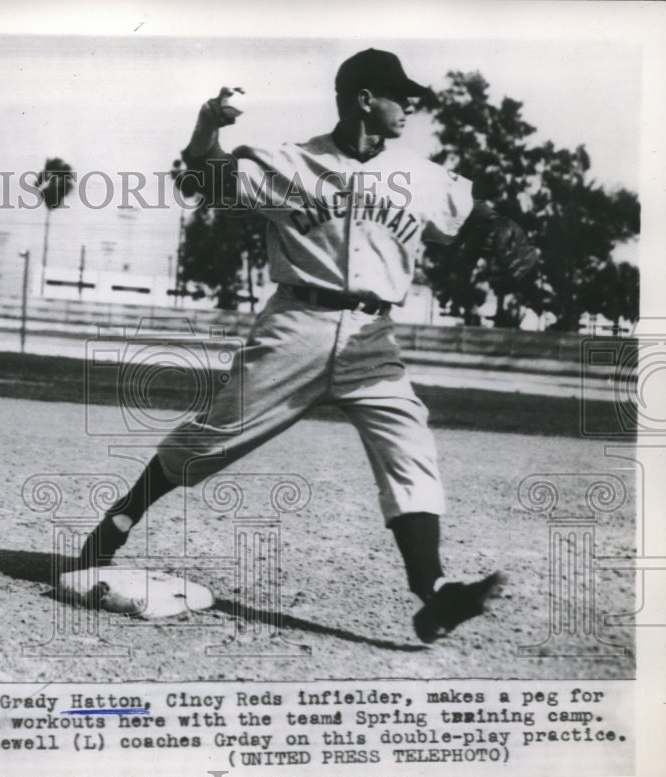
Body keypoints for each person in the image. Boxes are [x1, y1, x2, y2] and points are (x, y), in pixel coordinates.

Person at [78, 49, 538, 643]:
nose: (410, 105)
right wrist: (207, 127)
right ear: (365, 98)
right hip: (296, 326)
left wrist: (506, 229)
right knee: (210, 441)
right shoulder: (291, 162)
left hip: (372, 338)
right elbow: (203, 177)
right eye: (399, 95)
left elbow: (477, 216)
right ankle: (117, 522)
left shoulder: (419, 174)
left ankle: (434, 591)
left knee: (410, 444)